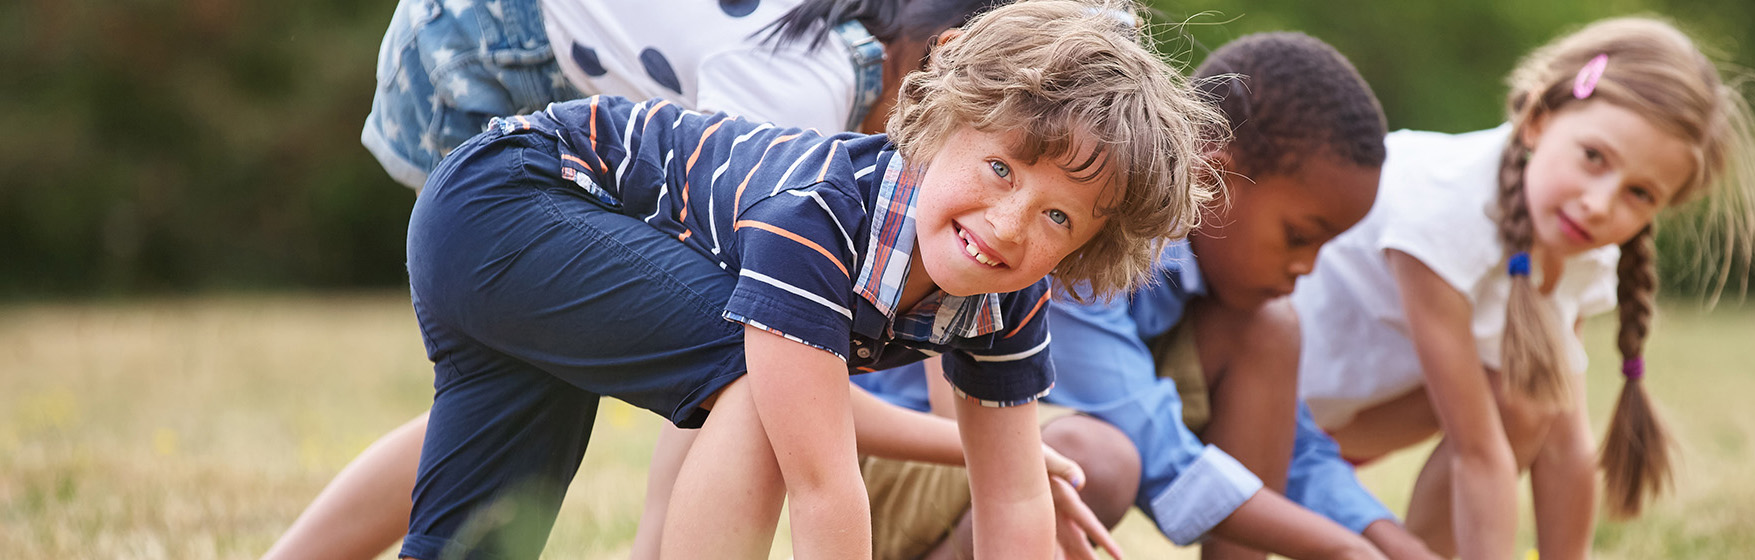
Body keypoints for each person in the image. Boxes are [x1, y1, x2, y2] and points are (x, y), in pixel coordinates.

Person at [379, 1, 1229, 558]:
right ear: (941, 123)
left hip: (500, 231)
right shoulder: (818, 217)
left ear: (1088, 246)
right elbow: (824, 482)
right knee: (756, 377)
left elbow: (1011, 498)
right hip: (511, 196)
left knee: (477, 540)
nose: (1009, 225)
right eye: (1003, 169)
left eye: (1058, 218)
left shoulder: (1008, 292)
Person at [265, 1, 1013, 558]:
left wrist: (993, 457)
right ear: (935, 75)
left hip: (521, 165)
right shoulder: (803, 99)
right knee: (750, 365)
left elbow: (943, 322)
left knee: (516, 436)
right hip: (481, 58)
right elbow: (767, 354)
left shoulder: (850, 59)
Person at [849, 32, 1441, 560]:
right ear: (1213, 176)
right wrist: (1339, 547)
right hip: (914, 456)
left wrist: (1390, 541)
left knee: (1270, 330)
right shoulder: (1080, 232)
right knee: (1100, 460)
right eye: (1299, 236)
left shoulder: (1222, 307)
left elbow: (1299, 451)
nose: (1306, 268)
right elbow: (1155, 454)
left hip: (1017, 454)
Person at [1290, 16, 1755, 559]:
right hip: (1266, 415)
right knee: (1512, 404)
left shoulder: (1575, 245)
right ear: (1538, 122)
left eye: (1639, 193)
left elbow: (1566, 449)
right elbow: (1479, 455)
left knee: (1528, 399)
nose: (1599, 204)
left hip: (1346, 425)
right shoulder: (1442, 214)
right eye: (1594, 157)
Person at [362, 0, 1008, 190]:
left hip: (506, 41)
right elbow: (740, 290)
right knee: (521, 379)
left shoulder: (854, 31)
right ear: (945, 55)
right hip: (471, 52)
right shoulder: (802, 87)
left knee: (522, 383)